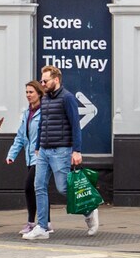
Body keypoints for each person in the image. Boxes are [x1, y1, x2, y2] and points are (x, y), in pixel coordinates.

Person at [26, 64, 96, 239]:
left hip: (61, 151)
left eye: (45, 80)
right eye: (41, 80)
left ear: (56, 80)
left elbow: (75, 125)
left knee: (64, 188)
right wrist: (37, 146)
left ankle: (89, 210)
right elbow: (43, 123)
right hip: (43, 150)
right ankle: (42, 227)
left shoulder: (67, 98)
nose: (42, 83)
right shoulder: (46, 99)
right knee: (39, 186)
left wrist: (76, 150)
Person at [5, 80, 43, 235]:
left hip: (40, 157)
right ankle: (42, 222)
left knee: (30, 187)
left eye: (31, 92)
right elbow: (21, 136)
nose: (28, 95)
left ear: (39, 93)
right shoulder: (27, 113)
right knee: (38, 189)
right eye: (26, 92)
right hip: (29, 157)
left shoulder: (44, 112)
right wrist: (11, 154)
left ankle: (33, 222)